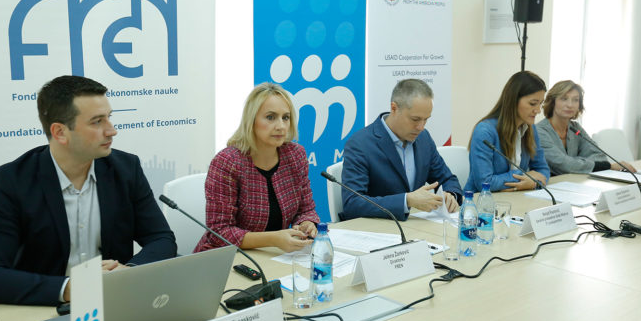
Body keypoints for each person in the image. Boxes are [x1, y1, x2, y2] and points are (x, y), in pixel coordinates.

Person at [0, 76, 177, 306]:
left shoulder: (127, 169)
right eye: (97, 122)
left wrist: (129, 271)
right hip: (45, 309)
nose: (111, 131)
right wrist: (70, 288)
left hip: (114, 304)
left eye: (109, 118)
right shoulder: (10, 182)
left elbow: (161, 238)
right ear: (59, 132)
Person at [194, 83, 319, 253]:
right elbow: (219, 232)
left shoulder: (295, 155)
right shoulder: (228, 162)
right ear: (251, 120)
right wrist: (273, 239)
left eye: (285, 117)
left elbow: (306, 209)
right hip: (226, 257)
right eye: (270, 117)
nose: (281, 126)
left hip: (273, 254)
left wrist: (306, 223)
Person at [341, 79, 463, 221]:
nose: (421, 127)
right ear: (394, 108)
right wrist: (406, 200)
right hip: (378, 227)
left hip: (416, 226)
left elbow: (447, 179)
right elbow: (353, 204)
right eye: (415, 119)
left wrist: (450, 195)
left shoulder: (423, 138)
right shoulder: (360, 144)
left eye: (426, 119)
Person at [466, 71, 550, 192]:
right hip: (480, 200)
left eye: (540, 104)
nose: (538, 110)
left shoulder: (531, 129)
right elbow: (484, 183)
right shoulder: (485, 131)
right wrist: (525, 177)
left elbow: (542, 170)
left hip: (514, 197)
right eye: (533, 104)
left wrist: (533, 183)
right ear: (513, 100)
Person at [537, 80, 637, 176]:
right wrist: (607, 166)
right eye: (564, 99)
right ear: (552, 102)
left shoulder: (575, 128)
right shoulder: (539, 131)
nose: (570, 105)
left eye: (575, 100)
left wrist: (576, 164)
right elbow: (564, 165)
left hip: (574, 181)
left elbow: (600, 156)